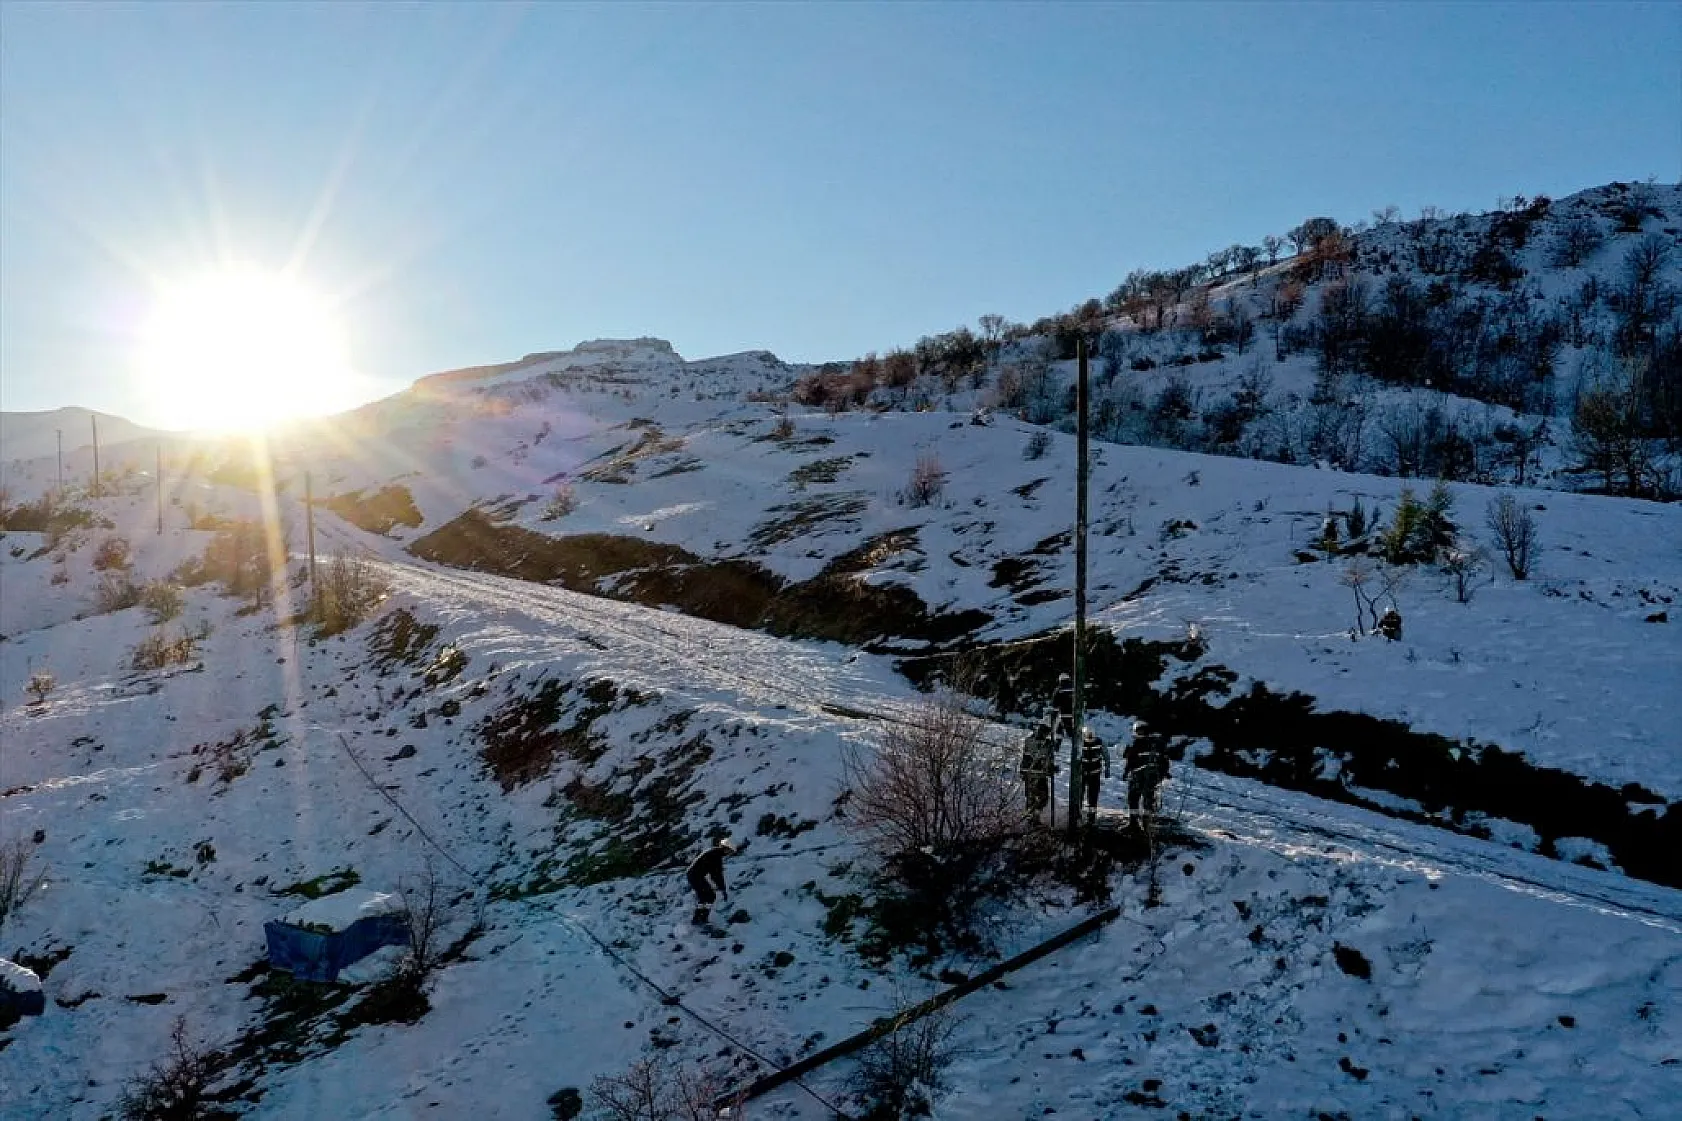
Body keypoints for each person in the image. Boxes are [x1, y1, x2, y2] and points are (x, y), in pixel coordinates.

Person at [1123, 719, 1168, 827]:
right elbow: (1165, 760)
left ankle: (1136, 823)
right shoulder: (1157, 743)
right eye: (1139, 731)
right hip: (1150, 777)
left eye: (1141, 731)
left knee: (1135, 798)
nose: (1139, 734)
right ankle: (1143, 824)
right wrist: (1163, 773)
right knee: (1145, 799)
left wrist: (1126, 772)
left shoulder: (1136, 744)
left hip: (1139, 777)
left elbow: (1129, 759)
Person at [686, 837, 735, 925]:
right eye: (730, 851)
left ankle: (698, 919)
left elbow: (715, 874)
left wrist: (720, 887)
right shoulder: (716, 856)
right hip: (695, 875)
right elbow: (716, 874)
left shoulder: (714, 852)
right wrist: (722, 889)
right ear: (726, 848)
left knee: (705, 896)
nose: (729, 853)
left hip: (694, 874)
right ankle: (701, 919)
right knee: (710, 896)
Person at [1020, 712, 1059, 819]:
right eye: (1045, 731)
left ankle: (1034, 818)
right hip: (1033, 774)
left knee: (1039, 798)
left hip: (1038, 775)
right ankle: (1031, 819)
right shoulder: (1032, 742)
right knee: (1035, 798)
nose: (1046, 734)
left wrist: (1052, 768)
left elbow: (1047, 759)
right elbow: (1036, 755)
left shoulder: (1046, 743)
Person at [1079, 726, 1111, 823]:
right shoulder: (1079, 743)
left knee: (1093, 797)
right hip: (1082, 773)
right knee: (1079, 795)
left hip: (1095, 773)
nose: (1089, 737)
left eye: (1091, 736)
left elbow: (1106, 755)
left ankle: (1091, 818)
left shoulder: (1100, 742)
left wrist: (1107, 768)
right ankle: (1077, 815)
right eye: (1088, 736)